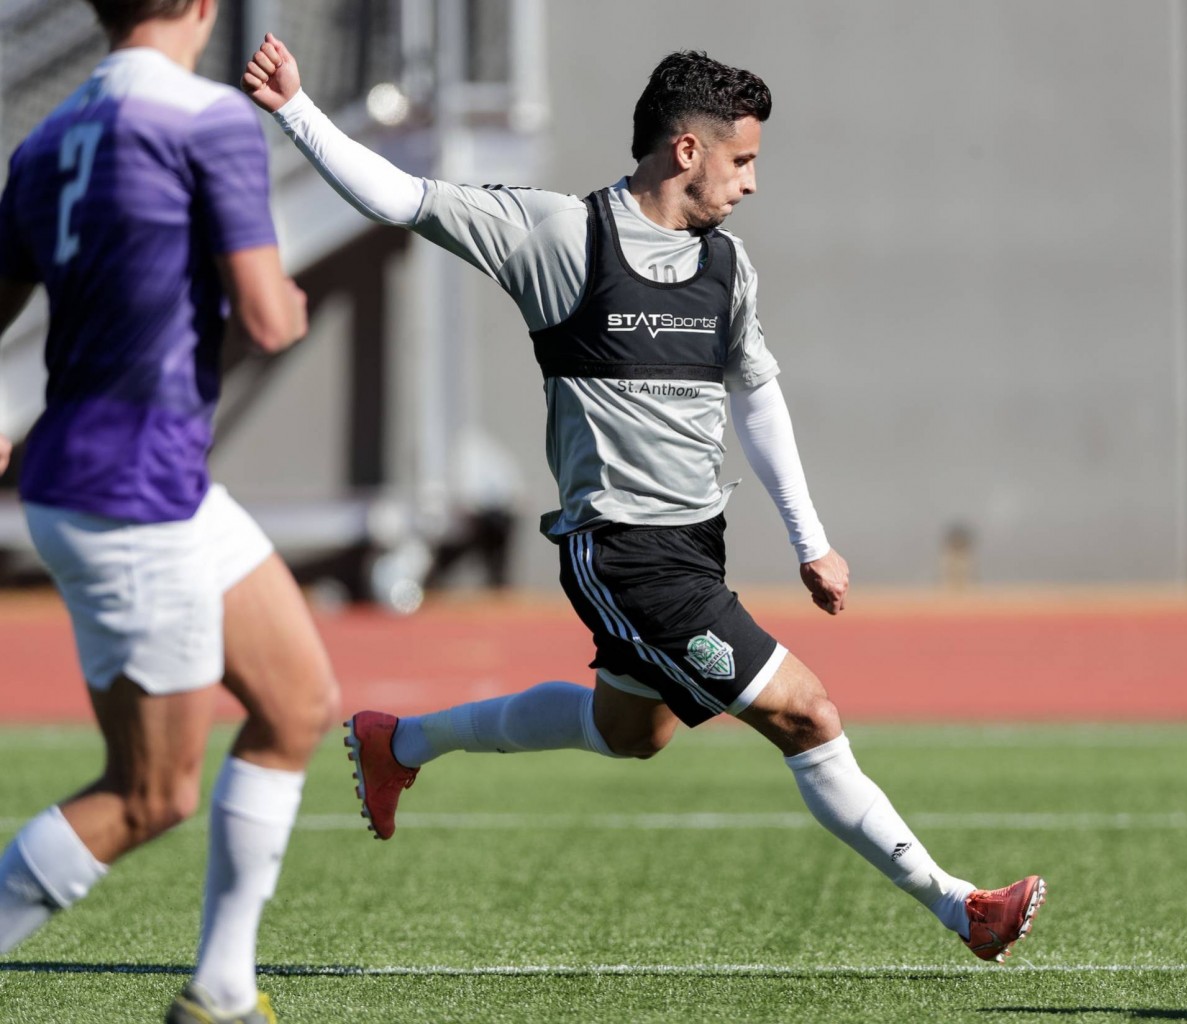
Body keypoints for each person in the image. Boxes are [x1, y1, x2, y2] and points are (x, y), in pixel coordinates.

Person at [242, 38, 1045, 963]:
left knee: (630, 732)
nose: (751, 182)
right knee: (806, 714)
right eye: (742, 160)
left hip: (695, 546)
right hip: (624, 549)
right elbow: (400, 197)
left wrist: (809, 540)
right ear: (687, 150)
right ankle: (960, 906)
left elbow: (756, 397)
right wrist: (296, 109)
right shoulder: (558, 236)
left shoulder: (726, 266)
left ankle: (400, 743)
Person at [0, 3, 339, 1022]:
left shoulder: (46, 139)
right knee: (150, 794)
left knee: (296, 704)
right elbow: (269, 316)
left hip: (135, 481)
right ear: (203, 6)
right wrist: (283, 301)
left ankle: (222, 993)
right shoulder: (208, 118)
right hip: (131, 492)